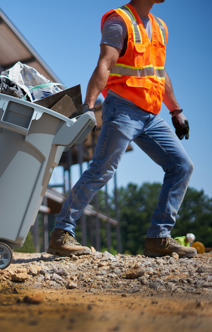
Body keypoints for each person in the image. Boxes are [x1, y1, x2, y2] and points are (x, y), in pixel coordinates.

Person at [47, 0, 196, 258]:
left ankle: (158, 237)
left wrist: (175, 110)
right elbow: (104, 64)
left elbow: (160, 73)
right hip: (122, 108)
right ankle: (61, 233)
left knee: (182, 166)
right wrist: (88, 108)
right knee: (102, 170)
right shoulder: (119, 20)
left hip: (151, 114)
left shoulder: (160, 27)